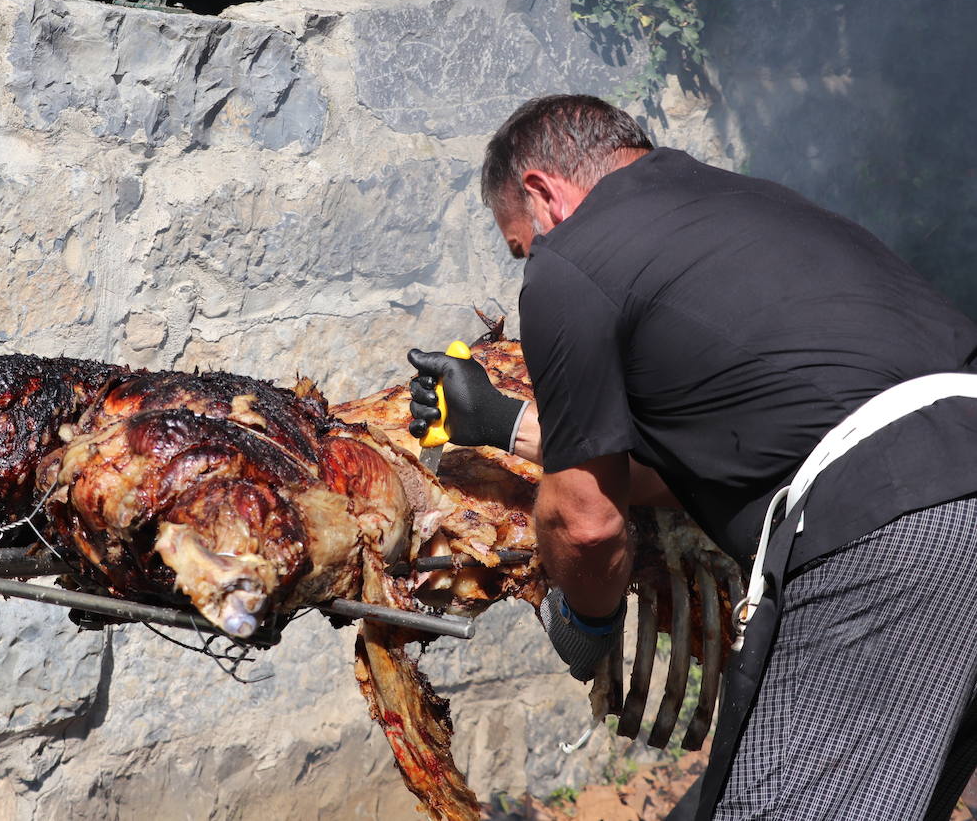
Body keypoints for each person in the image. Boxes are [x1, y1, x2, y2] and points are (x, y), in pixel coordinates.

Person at [406, 94, 977, 821]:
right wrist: (503, 421)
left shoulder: (570, 262)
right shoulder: (756, 206)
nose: (530, 261)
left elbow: (587, 524)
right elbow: (732, 449)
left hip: (902, 537)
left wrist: (585, 622)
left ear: (543, 194)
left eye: (522, 244)